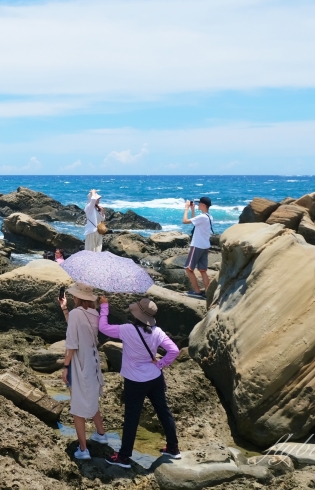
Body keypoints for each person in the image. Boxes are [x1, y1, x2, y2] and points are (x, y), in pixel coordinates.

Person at [97, 295, 181, 468]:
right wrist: (160, 364)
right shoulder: (157, 332)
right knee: (164, 411)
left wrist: (104, 306)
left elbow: (103, 327)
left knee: (131, 418)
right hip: (155, 377)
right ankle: (173, 448)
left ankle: (124, 457)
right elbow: (174, 350)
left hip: (135, 380)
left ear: (137, 314)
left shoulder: (127, 329)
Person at [58, 283, 109, 460]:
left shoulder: (76, 314)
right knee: (91, 397)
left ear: (77, 297)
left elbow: (72, 343)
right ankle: (101, 435)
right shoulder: (94, 314)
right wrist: (65, 310)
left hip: (79, 365)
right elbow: (78, 329)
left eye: (73, 296)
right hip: (93, 365)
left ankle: (83, 449)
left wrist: (65, 367)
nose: (72, 298)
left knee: (77, 406)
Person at [182, 197, 214, 297]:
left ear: (203, 205)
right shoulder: (208, 217)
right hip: (205, 246)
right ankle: (208, 293)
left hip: (197, 246)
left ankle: (197, 291)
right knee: (203, 270)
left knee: (188, 269)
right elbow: (194, 222)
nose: (198, 204)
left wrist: (186, 208)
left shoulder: (202, 217)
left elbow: (185, 221)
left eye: (199, 203)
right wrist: (193, 210)